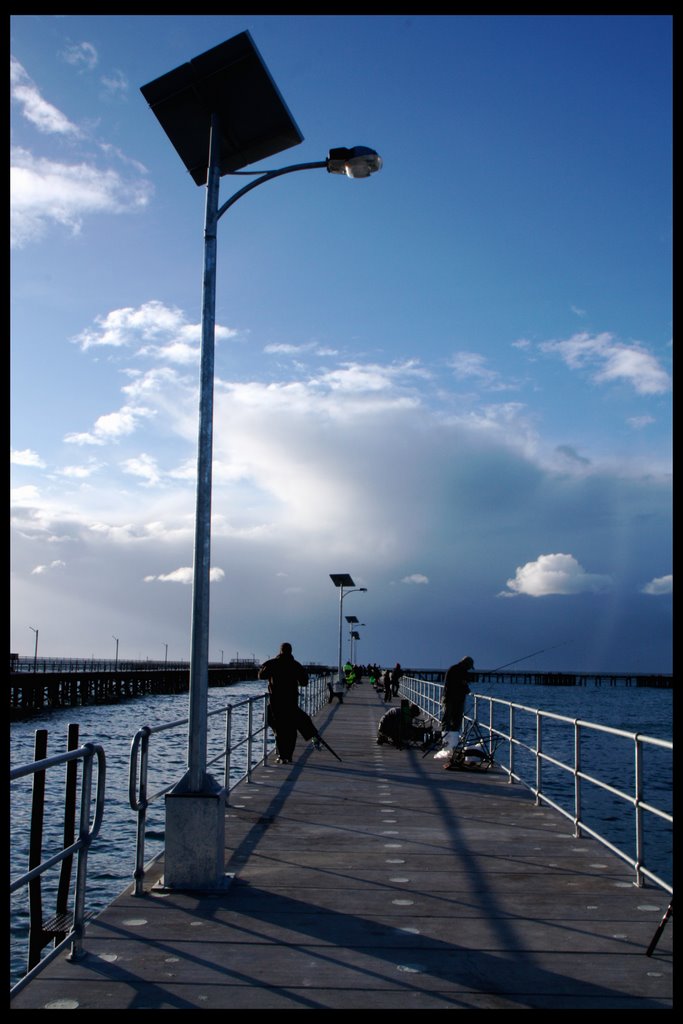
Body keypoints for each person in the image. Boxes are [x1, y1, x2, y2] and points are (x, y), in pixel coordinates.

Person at [258, 642, 308, 764]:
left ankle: (281, 755)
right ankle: (288, 756)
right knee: (291, 728)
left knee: (277, 726)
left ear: (280, 651)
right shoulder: (295, 665)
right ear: (291, 651)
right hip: (291, 700)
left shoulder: (272, 663)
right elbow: (304, 682)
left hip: (276, 700)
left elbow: (261, 675)